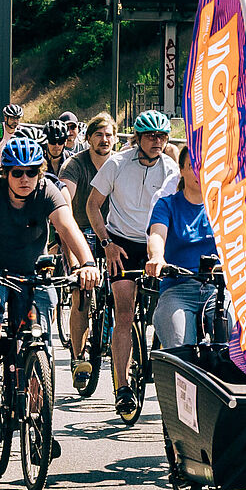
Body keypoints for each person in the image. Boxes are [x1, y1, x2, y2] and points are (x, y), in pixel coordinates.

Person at [0, 137, 101, 413]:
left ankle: (39, 416)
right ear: (5, 174)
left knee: (44, 313)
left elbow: (66, 225)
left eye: (32, 171)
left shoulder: (48, 190)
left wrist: (87, 263)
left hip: (32, 269)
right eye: (17, 172)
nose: (25, 178)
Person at [84, 110, 179, 418]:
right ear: (137, 138)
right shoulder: (117, 163)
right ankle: (122, 387)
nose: (157, 142)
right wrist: (106, 244)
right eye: (151, 136)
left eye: (162, 137)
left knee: (165, 311)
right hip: (121, 243)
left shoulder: (170, 169)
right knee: (124, 313)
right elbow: (92, 205)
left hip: (156, 243)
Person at [147, 144, 246, 348]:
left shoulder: (225, 207)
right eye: (193, 166)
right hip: (178, 288)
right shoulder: (167, 204)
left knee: (234, 341)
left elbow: (242, 240)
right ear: (182, 170)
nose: (200, 172)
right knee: (180, 347)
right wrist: (157, 258)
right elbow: (157, 235)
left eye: (205, 167)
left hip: (219, 289)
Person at [58, 112, 117, 386]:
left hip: (114, 232)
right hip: (80, 231)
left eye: (109, 135)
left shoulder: (121, 164)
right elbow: (64, 205)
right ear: (88, 138)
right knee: (82, 291)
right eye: (98, 135)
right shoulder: (74, 164)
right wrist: (73, 257)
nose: (104, 140)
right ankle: (78, 356)